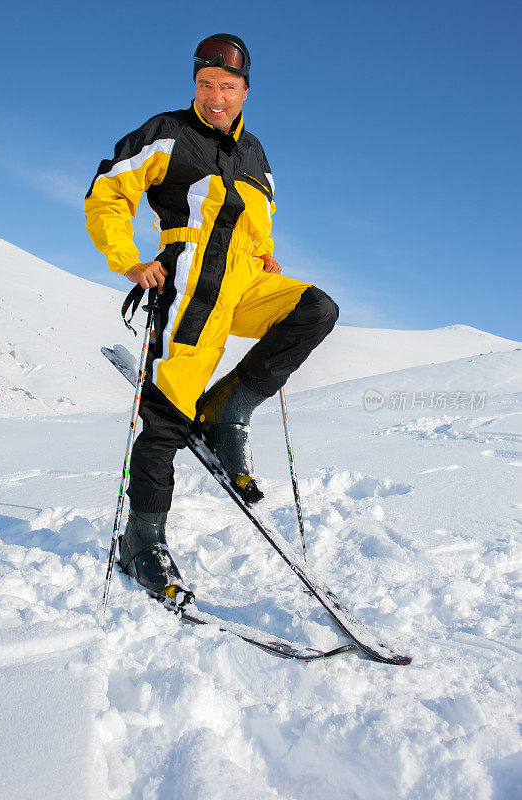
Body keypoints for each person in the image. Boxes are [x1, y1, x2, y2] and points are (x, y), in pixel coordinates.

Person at [85, 33, 339, 603]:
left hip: (247, 282)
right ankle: (143, 540)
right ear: (194, 85)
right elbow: (105, 192)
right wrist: (129, 260)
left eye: (226, 87)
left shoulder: (257, 156)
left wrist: (266, 249)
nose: (215, 97)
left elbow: (258, 218)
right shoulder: (167, 133)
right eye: (205, 85)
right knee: (168, 414)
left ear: (245, 91)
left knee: (316, 309)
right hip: (191, 287)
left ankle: (229, 409)